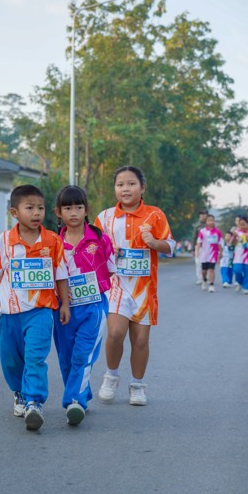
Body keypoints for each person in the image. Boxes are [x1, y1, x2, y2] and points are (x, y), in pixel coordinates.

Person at [0, 185, 70, 431]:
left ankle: (34, 402)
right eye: (29, 208)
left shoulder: (53, 241)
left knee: (35, 358)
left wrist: (65, 303)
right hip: (10, 315)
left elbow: (61, 274)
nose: (36, 213)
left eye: (40, 208)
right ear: (14, 212)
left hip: (41, 311)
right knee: (10, 360)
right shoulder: (4, 242)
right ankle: (19, 392)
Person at [94, 165, 175, 406]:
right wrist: (109, 249)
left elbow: (170, 246)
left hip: (144, 288)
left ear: (142, 187)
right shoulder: (105, 217)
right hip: (116, 285)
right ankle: (111, 376)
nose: (125, 189)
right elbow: (92, 249)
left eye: (131, 184)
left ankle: (137, 386)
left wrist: (155, 243)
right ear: (115, 189)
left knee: (140, 341)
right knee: (115, 333)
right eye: (120, 184)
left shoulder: (155, 215)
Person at [53, 185, 116, 426]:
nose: (74, 213)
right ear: (59, 212)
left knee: (83, 354)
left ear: (86, 210)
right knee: (67, 357)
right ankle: (83, 392)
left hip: (93, 307)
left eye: (79, 207)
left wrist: (93, 286)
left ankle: (74, 401)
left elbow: (111, 269)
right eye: (68, 208)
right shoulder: (53, 243)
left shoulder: (100, 239)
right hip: (63, 308)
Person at [195, 214, 223, 292]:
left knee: (211, 270)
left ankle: (211, 285)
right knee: (204, 271)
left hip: (213, 254)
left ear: (214, 221)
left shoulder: (217, 232)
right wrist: (197, 251)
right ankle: (204, 280)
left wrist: (221, 252)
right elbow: (199, 242)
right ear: (206, 222)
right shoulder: (202, 231)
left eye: (212, 220)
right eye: (209, 220)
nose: (210, 222)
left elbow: (220, 243)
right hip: (204, 254)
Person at [231, 216, 248, 294]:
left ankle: (246, 287)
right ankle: (240, 282)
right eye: (241, 225)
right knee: (236, 270)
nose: (242, 226)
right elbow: (232, 243)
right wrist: (234, 236)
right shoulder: (237, 232)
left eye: (244, 224)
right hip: (238, 256)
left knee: (247, 272)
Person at [192, 210, 208, 284]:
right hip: (198, 246)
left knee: (207, 263)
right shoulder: (197, 226)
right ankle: (200, 278)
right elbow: (194, 237)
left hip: (208, 247)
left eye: (204, 214)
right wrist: (193, 249)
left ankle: (207, 278)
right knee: (198, 263)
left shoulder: (209, 225)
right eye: (201, 214)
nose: (202, 216)